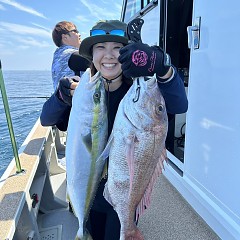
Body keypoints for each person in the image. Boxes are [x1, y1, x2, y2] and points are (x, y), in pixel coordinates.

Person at [69, 19, 188, 240]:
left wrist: (162, 67)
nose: (109, 55)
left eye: (118, 48)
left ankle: (128, 228)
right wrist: (60, 97)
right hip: (89, 193)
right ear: (92, 55)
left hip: (124, 196)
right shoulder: (83, 93)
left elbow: (179, 104)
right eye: (100, 48)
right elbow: (48, 118)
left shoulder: (137, 91)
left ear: (128, 55)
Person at [40, 21, 90, 131]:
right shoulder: (71, 55)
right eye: (75, 31)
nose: (79, 34)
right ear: (65, 37)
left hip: (69, 117)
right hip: (81, 117)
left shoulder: (57, 56)